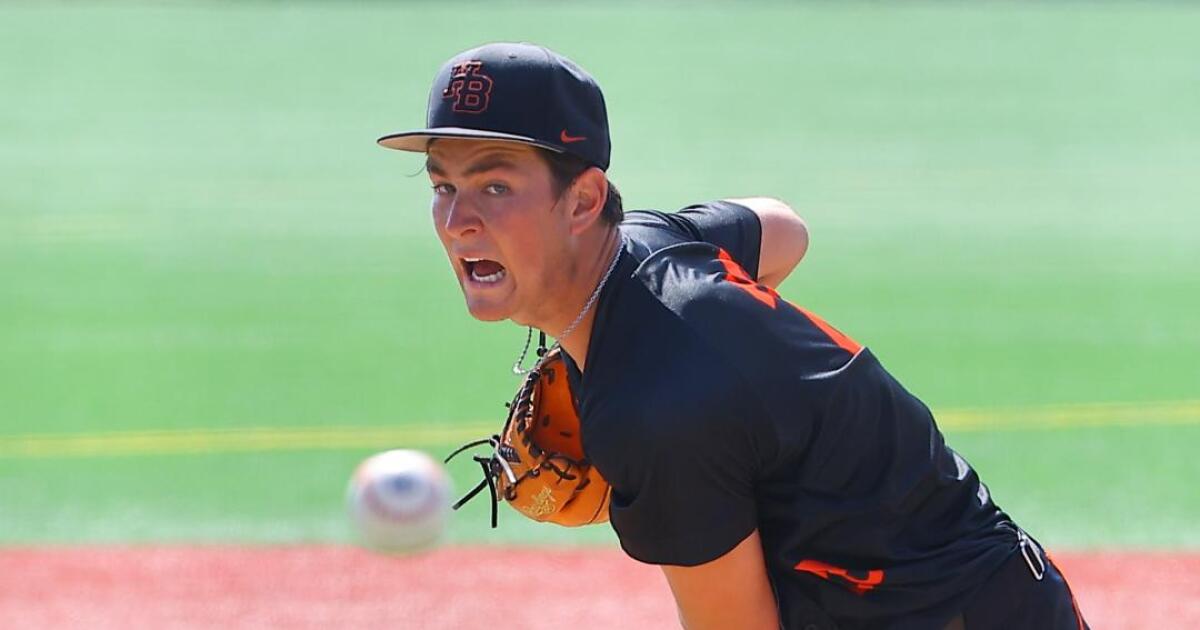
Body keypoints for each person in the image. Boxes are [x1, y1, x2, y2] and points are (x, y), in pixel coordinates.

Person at [378, 42, 1089, 630]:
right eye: (442, 186)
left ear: (585, 200)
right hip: (986, 590)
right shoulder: (653, 245)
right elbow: (784, 227)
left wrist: (714, 400)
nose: (457, 219)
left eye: (495, 185)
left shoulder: (652, 412)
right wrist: (743, 375)